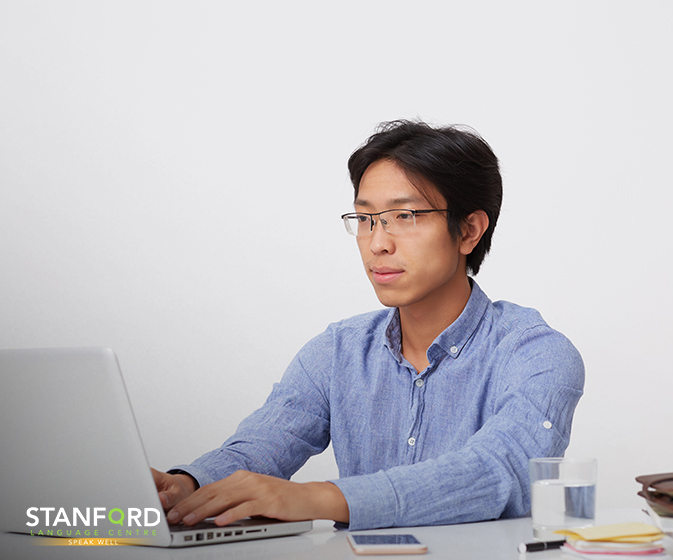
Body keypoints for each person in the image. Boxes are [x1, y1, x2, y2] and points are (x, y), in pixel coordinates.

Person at [152, 120, 584, 531]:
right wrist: (188, 484)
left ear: (469, 230)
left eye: (405, 216)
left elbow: (500, 470)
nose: (377, 243)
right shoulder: (337, 351)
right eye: (365, 219)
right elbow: (262, 446)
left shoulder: (536, 353)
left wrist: (320, 498)